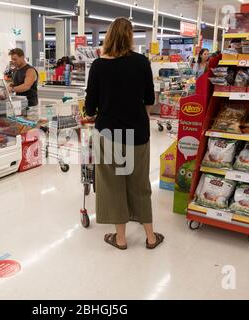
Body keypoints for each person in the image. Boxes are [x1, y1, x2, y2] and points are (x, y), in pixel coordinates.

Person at [85, 17, 165, 250]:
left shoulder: (98, 65)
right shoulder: (141, 62)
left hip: (108, 134)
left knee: (112, 185)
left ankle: (120, 238)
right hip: (137, 134)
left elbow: (90, 107)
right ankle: (150, 237)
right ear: (130, 36)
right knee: (139, 184)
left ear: (108, 36)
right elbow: (149, 100)